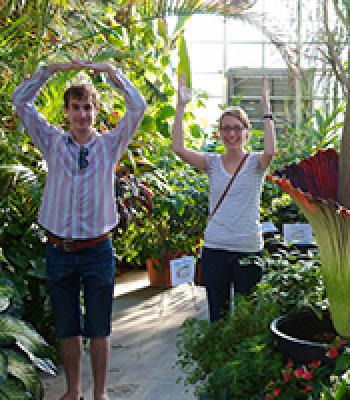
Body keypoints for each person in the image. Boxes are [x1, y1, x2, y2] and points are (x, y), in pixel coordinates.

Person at [11, 61, 147, 400]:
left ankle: (99, 393)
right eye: (76, 108)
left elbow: (138, 106)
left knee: (99, 327)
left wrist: (110, 70)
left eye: (88, 108)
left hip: (98, 250)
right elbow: (20, 102)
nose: (82, 115)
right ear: (67, 112)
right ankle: (73, 392)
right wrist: (47, 71)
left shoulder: (110, 145)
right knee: (67, 328)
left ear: (95, 112)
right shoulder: (52, 143)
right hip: (59, 250)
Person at [172, 73, 276, 322]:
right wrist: (180, 107)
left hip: (248, 248)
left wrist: (267, 110)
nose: (231, 134)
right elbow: (178, 148)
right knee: (218, 315)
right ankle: (218, 361)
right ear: (219, 133)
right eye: (226, 129)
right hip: (215, 248)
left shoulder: (255, 163)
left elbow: (271, 151)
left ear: (246, 132)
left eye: (237, 128)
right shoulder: (211, 163)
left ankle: (240, 362)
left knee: (245, 317)